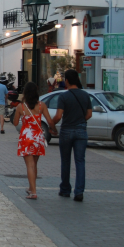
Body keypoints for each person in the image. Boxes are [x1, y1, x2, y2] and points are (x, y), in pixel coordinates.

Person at [51, 69, 92, 202]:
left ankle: (65, 189)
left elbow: (58, 116)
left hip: (67, 130)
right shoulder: (86, 95)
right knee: (80, 161)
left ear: (67, 81)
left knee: (66, 161)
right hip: (81, 130)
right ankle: (79, 191)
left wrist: (52, 125)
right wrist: (80, 121)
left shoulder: (64, 96)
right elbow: (89, 114)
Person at [13, 82, 57, 199]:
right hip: (38, 138)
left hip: (26, 138)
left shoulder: (20, 107)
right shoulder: (42, 106)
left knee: (29, 165)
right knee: (34, 164)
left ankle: (33, 192)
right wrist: (54, 129)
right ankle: (31, 188)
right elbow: (50, 121)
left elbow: (16, 123)